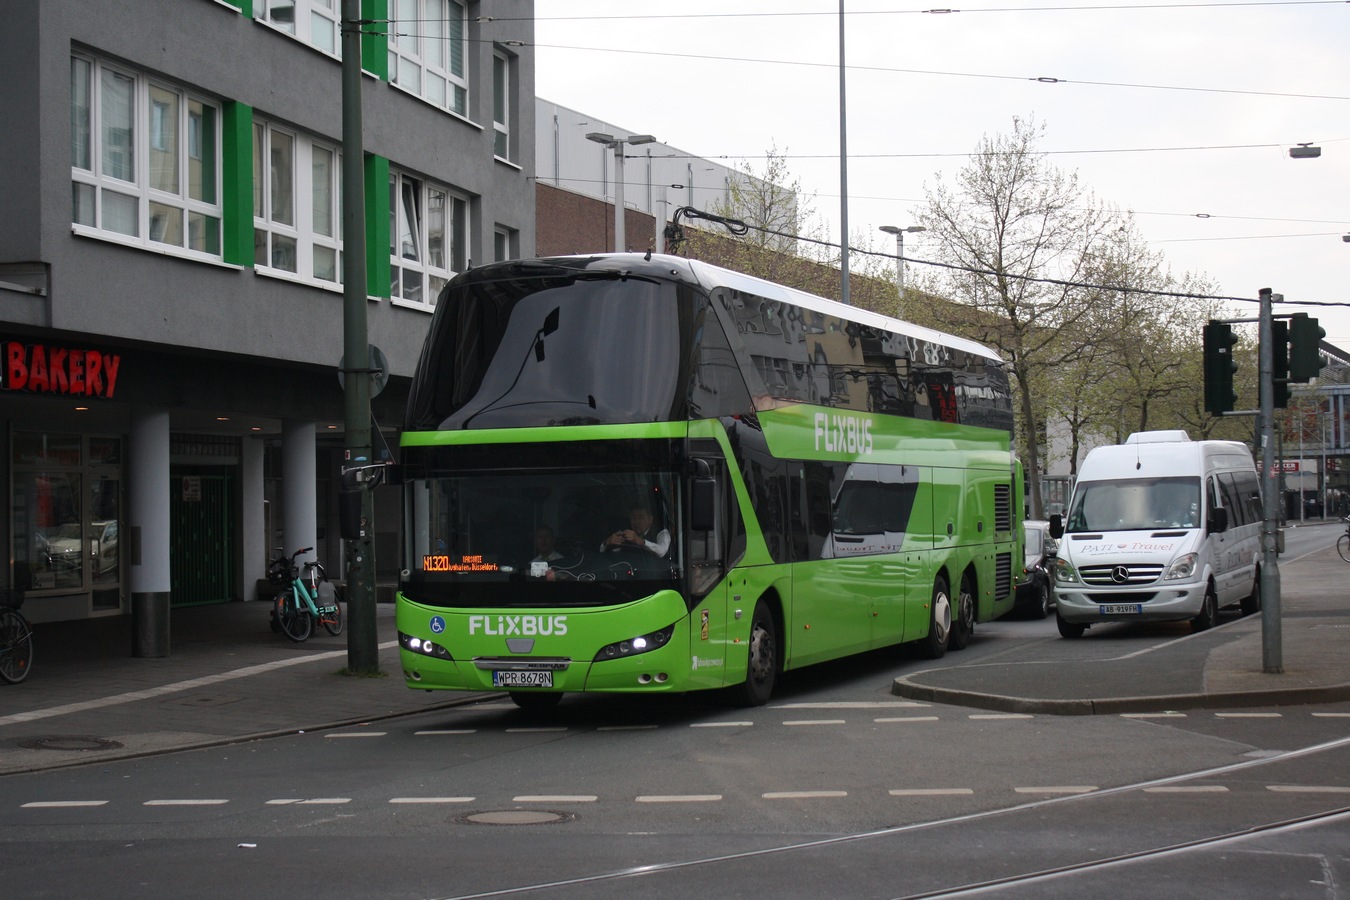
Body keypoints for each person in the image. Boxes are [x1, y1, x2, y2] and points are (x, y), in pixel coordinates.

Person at [601, 504, 670, 557]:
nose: (636, 522)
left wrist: (641, 541)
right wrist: (607, 543)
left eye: (641, 517)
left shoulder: (661, 533)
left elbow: (662, 551)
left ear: (650, 519)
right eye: (633, 518)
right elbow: (606, 553)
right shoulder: (624, 533)